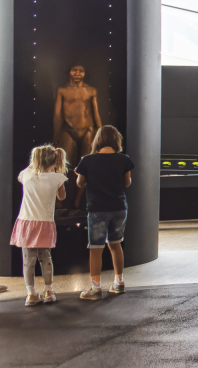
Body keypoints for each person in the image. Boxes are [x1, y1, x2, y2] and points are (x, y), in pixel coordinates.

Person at [74, 125, 133, 300]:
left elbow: (80, 183)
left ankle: (95, 288)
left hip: (97, 209)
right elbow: (127, 183)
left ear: (98, 140)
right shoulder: (124, 159)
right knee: (116, 244)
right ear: (116, 140)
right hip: (119, 208)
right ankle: (119, 283)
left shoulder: (87, 160)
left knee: (96, 249)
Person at [11, 145, 68, 306]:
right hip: (45, 223)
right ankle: (48, 291)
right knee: (46, 258)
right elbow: (62, 197)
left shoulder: (26, 175)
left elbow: (20, 177)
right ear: (55, 160)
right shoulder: (57, 177)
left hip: (27, 222)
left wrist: (33, 165)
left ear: (35, 160)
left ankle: (31, 294)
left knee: (28, 261)